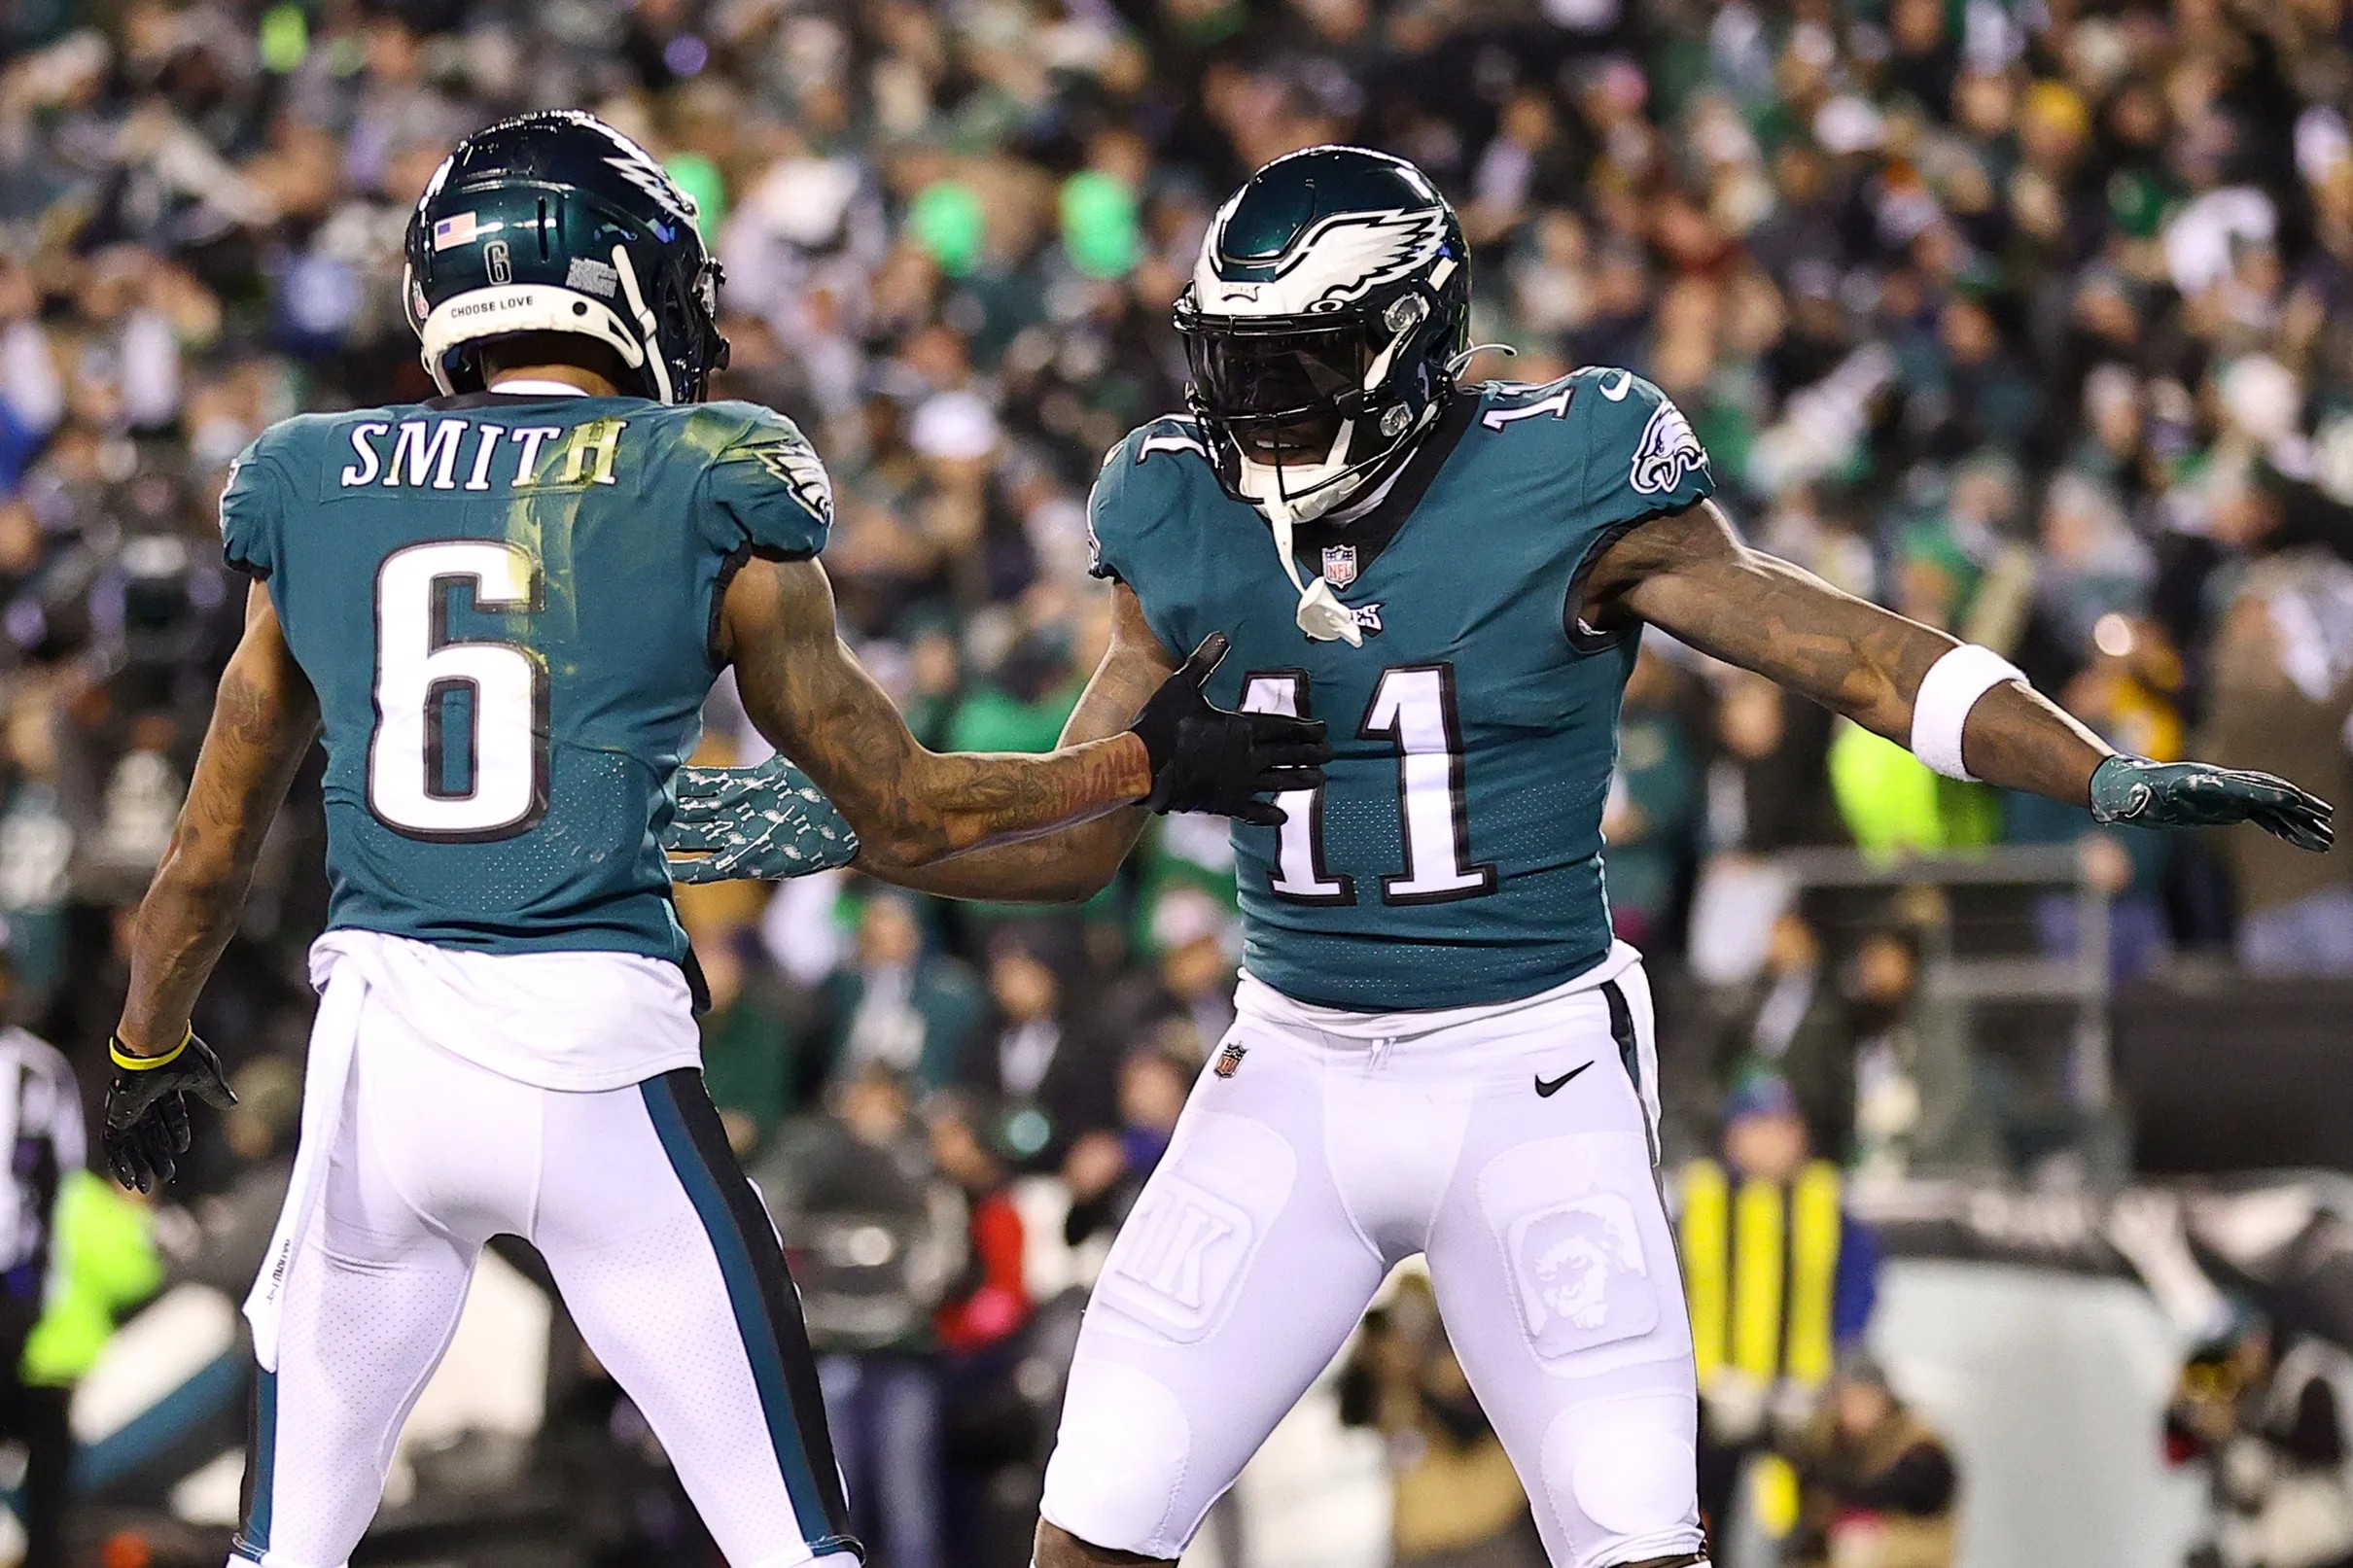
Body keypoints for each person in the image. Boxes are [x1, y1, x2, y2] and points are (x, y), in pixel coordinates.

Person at [673, 145, 2336, 1568]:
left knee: (1629, 1536)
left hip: (1528, 1070)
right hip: (1295, 1067)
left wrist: (2097, 766)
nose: (1249, 405)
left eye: (1295, 360)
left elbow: (1845, 652)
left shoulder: (1568, 465)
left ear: (1406, 344)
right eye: (1232, 359)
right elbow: (1071, 829)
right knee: (1090, 1523)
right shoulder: (1175, 505)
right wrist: (852, 821)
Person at [89, 110, 1327, 1568]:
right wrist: (1142, 760)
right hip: (599, 1070)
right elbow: (910, 807)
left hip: (382, 1076)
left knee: (283, 1556)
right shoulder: (707, 469)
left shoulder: (308, 476)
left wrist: (144, 1046)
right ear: (618, 285)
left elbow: (209, 851)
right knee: (794, 1550)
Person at [1677, 1075, 1880, 1563]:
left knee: (1800, 1531)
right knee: (1700, 1528)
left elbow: (1857, 1288)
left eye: (1783, 1127)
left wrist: (1833, 1366)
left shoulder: (1824, 1199)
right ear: (1733, 1136)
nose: (1773, 1140)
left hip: (1802, 1401)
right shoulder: (1701, 1198)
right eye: (1759, 1127)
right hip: (1713, 1401)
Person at [1780, 1361, 1959, 1568]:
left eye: (1865, 1400)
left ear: (1885, 1401)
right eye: (1849, 1401)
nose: (1855, 1411)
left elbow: (1898, 1491)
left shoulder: (1918, 1446)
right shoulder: (1829, 1439)